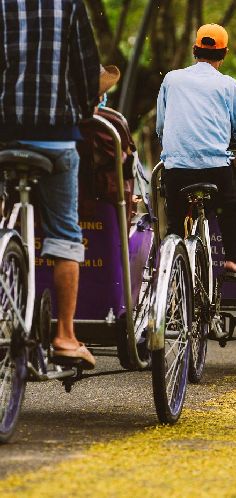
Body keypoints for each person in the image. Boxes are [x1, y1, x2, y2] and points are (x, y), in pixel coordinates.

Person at [0, 0, 107, 368]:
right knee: (64, 234)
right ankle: (64, 336)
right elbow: (87, 71)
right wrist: (83, 107)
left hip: (6, 136)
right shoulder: (69, 6)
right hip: (57, 140)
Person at [157, 23, 236, 281]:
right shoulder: (228, 85)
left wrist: (172, 149)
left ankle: (173, 270)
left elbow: (160, 125)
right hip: (215, 169)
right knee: (229, 206)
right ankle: (233, 261)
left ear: (194, 50)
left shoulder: (172, 79)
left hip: (176, 170)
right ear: (224, 55)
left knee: (176, 221)